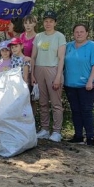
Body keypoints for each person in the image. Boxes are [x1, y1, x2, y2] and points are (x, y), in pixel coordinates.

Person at [63, 23, 94, 146]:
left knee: (86, 110)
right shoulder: (68, 46)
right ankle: (78, 136)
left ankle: (90, 137)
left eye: (81, 32)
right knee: (75, 111)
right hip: (70, 84)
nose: (79, 34)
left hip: (87, 85)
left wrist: (91, 80)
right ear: (73, 33)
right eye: (76, 32)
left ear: (86, 33)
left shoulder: (91, 46)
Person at [31, 11, 66, 142]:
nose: (48, 23)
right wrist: (33, 74)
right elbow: (33, 57)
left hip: (53, 69)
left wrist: (58, 76)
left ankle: (57, 131)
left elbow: (61, 58)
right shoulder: (38, 36)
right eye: (46, 21)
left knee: (56, 103)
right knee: (42, 102)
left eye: (51, 21)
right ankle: (45, 129)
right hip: (39, 69)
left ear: (55, 23)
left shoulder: (59, 36)